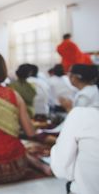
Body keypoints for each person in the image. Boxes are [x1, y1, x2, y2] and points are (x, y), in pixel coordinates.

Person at [0, 50, 51, 183]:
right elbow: (30, 132)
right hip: (16, 166)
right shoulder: (13, 95)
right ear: (3, 69)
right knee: (22, 148)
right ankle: (41, 165)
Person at [50, 64, 99, 194]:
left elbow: (61, 170)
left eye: (70, 74)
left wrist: (68, 108)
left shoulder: (83, 110)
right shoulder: (90, 91)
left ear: (76, 77)